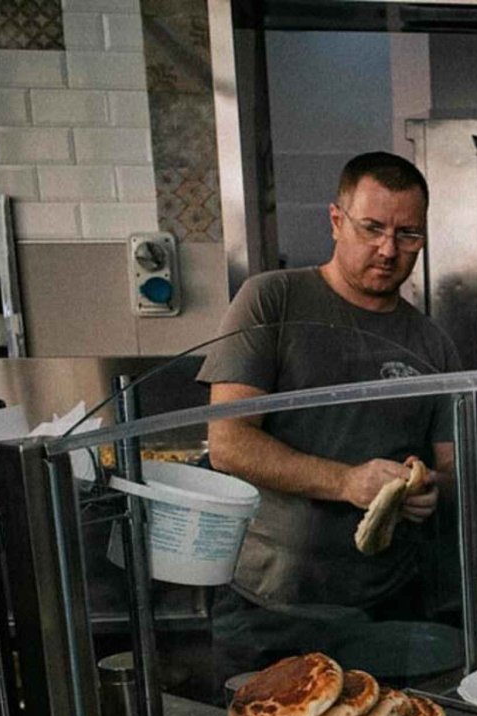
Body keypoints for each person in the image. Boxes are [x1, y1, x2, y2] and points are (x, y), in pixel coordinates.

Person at [197, 151, 463, 682]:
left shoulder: (431, 343)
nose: (388, 250)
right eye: (372, 228)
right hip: (271, 608)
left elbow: (451, 467)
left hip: (386, 608)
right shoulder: (272, 301)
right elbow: (228, 442)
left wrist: (432, 488)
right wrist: (346, 481)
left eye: (408, 235)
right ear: (336, 221)